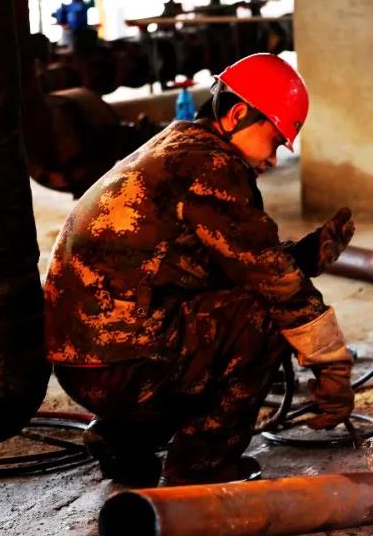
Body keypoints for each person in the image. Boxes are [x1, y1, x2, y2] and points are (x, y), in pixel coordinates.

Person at [43, 53, 356, 486]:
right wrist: (333, 363)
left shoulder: (176, 147)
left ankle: (123, 438)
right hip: (124, 369)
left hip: (85, 365)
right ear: (238, 114)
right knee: (263, 319)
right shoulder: (211, 165)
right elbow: (272, 283)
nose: (274, 158)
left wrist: (300, 257)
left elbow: (218, 264)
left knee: (225, 316)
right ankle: (202, 470)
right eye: (274, 139)